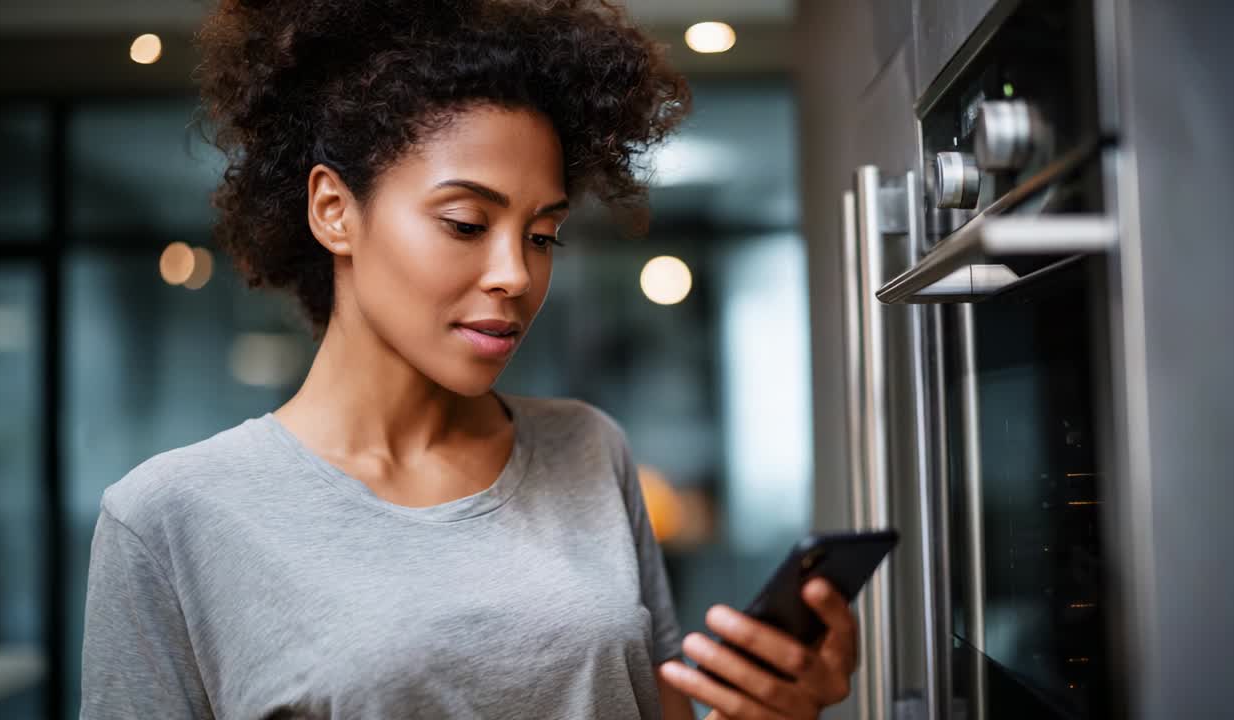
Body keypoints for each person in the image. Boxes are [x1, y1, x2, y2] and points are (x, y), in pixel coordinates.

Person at [79, 1, 859, 718]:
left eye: (542, 234)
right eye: (463, 222)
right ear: (333, 211)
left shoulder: (588, 449)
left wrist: (774, 707)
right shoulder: (168, 518)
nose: (515, 274)